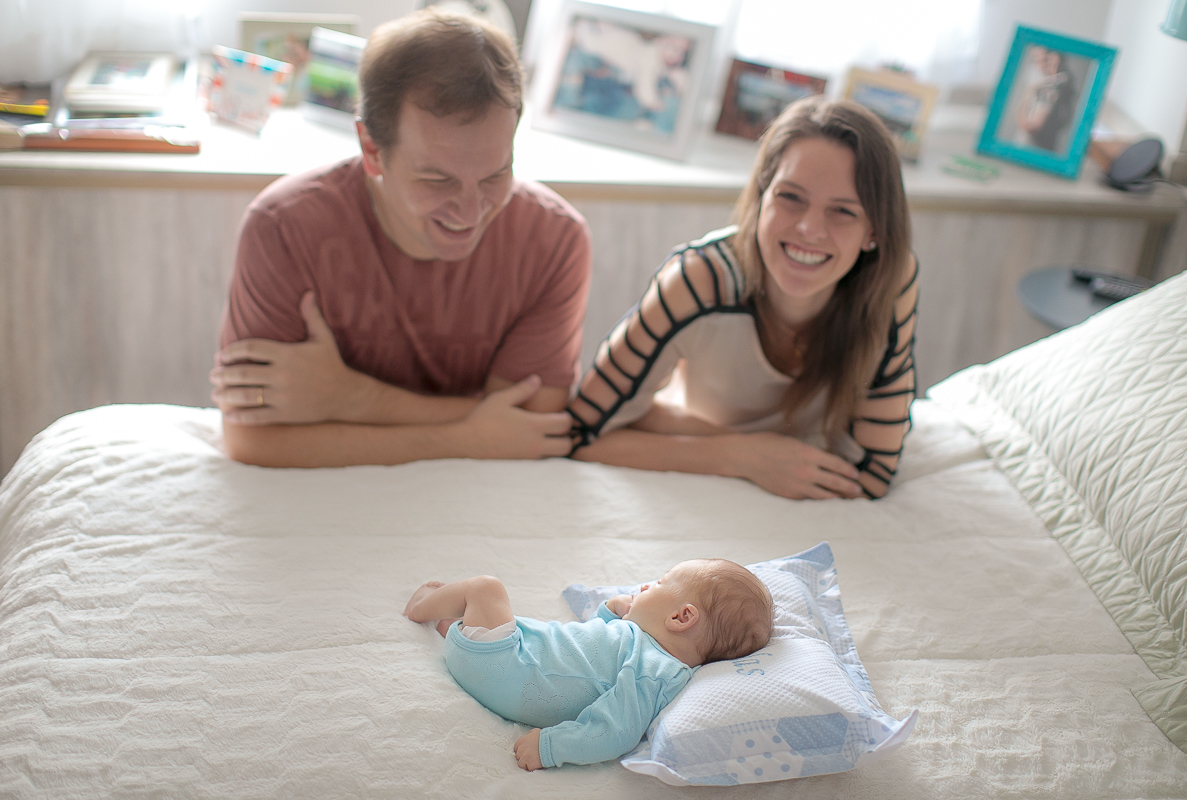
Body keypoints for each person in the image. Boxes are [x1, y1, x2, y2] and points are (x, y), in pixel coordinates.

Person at [208, 9, 592, 468]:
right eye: (436, 179)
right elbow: (253, 440)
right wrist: (468, 437)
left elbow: (532, 427)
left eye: (496, 173)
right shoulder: (283, 227)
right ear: (372, 150)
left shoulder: (554, 240)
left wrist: (348, 399)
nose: (472, 212)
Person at [568, 97, 917, 500]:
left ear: (873, 231)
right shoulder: (698, 280)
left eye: (842, 211)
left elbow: (871, 476)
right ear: (761, 196)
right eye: (791, 197)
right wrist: (740, 455)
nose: (809, 229)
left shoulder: (891, 281)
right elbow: (579, 432)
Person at [403, 558, 774, 770]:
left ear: (681, 617)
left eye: (658, 584)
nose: (644, 588)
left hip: (509, 670)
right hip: (513, 664)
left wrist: (552, 746)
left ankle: (422, 608)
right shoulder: (646, 649)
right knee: (532, 628)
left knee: (487, 588)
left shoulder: (656, 671)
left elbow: (616, 729)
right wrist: (610, 615)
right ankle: (455, 625)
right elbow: (586, 656)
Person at [1015, 48, 1076, 153]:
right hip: (1030, 145)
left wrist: (1028, 93)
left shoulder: (1051, 90)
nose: (1040, 64)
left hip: (1034, 149)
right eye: (1036, 59)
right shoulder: (1036, 77)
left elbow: (1030, 127)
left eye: (1045, 60)